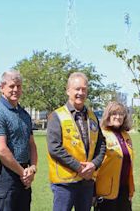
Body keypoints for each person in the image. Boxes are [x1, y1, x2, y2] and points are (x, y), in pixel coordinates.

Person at [46, 72, 106, 211]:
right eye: (77, 89)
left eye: (84, 89)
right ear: (68, 91)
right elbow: (54, 148)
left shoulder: (92, 116)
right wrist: (79, 168)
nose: (81, 92)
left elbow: (101, 144)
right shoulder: (57, 116)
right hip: (64, 183)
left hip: (86, 182)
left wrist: (93, 164)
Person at [0, 70, 38, 211]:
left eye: (19, 86)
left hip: (24, 176)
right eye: (12, 86)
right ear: (2, 87)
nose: (16, 90)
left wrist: (32, 168)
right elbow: (1, 150)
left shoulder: (24, 114)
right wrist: (23, 173)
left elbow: (31, 144)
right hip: (4, 178)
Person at [94, 101, 135, 211]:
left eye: (121, 114)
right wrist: (93, 192)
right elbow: (95, 164)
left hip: (124, 190)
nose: (118, 117)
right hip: (105, 192)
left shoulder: (126, 136)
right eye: (114, 113)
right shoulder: (101, 135)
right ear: (108, 115)